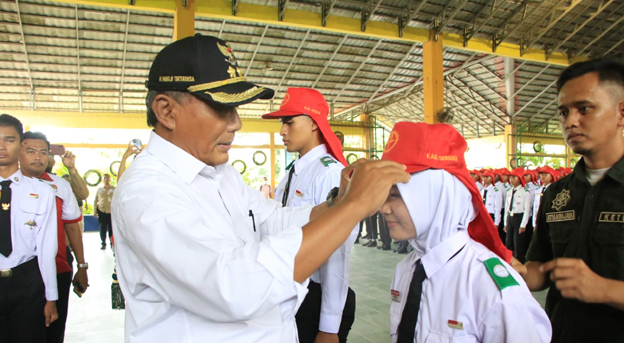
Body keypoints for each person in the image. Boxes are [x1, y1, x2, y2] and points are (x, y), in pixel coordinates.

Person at [111, 34, 409, 343]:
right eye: (221, 108)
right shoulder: (146, 193)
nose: (236, 123)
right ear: (167, 111)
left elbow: (272, 221)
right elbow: (234, 287)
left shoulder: (219, 173)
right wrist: (354, 207)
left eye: (236, 108)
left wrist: (338, 201)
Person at [381, 122, 551, 343]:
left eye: (395, 195)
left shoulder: (490, 287)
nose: (383, 208)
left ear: (434, 197)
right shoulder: (406, 269)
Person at [515, 59, 624, 343]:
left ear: (621, 112)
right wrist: (517, 273)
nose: (570, 122)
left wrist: (605, 289)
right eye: (563, 112)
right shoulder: (557, 194)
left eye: (584, 109)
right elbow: (541, 268)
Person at [262, 87, 357, 343]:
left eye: (289, 122)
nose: (282, 130)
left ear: (314, 123)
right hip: (292, 290)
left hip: (315, 297)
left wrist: (329, 326)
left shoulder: (328, 173)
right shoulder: (294, 171)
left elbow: (337, 252)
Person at [19, 131, 89, 343]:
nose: (38, 157)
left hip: (57, 266)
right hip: (18, 272)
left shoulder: (60, 185)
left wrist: (82, 266)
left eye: (43, 152)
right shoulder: (8, 185)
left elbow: (72, 228)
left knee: (53, 328)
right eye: (31, 151)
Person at [0, 114, 59, 342]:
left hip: (26, 282)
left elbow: (46, 249)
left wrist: (50, 297)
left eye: (9, 140)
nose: (2, 147)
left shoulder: (42, 191)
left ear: (21, 145)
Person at [503, 168, 532, 263]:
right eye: (510, 177)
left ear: (520, 178)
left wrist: (523, 225)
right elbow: (507, 209)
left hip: (519, 218)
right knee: (509, 243)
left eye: (514, 177)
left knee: (518, 244)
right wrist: (505, 223)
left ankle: (519, 264)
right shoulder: (509, 191)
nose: (511, 179)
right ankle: (509, 263)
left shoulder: (525, 192)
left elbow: (527, 210)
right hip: (510, 218)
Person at [94, 173, 114, 250]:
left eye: (107, 178)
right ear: (102, 180)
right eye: (104, 178)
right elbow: (96, 200)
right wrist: (95, 210)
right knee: (102, 228)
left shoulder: (113, 189)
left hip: (110, 211)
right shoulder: (99, 189)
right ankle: (103, 243)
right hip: (102, 211)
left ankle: (112, 243)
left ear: (110, 180)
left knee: (111, 229)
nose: (106, 180)